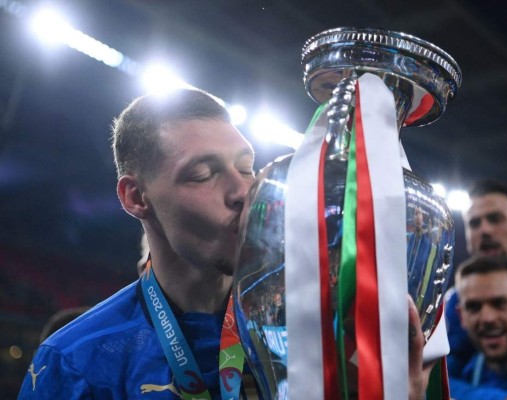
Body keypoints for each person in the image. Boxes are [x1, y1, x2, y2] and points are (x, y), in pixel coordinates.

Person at [19, 88, 432, 399]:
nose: (243, 191)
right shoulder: (75, 363)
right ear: (136, 197)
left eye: (247, 168)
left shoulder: (318, 330)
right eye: (203, 174)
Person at [446, 179, 507, 376]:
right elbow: (445, 373)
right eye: (474, 223)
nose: (484, 230)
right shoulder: (460, 298)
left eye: (495, 219)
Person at [449, 256, 507, 399]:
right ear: (461, 316)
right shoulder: (459, 372)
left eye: (499, 303)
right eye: (473, 307)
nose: (487, 318)